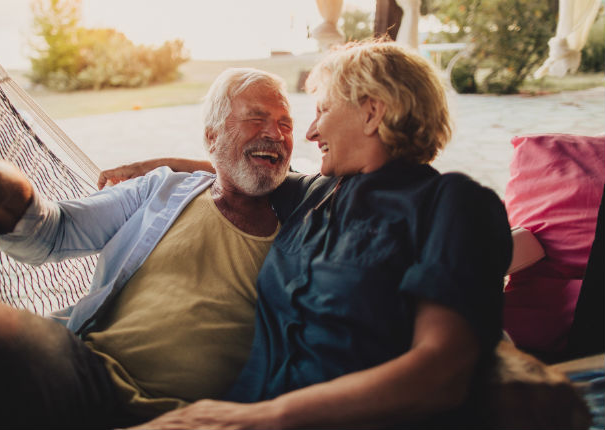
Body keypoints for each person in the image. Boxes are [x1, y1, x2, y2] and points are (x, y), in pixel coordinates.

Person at [107, 41, 513, 429]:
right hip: (228, 416)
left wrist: (261, 420)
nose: (310, 132)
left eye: (322, 110)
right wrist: (154, 165)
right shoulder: (311, 193)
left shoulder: (452, 204)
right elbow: (240, 166)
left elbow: (442, 372)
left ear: (372, 113)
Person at [0, 67, 294, 428]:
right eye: (256, 118)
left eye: (285, 124)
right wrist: (7, 182)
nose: (275, 134)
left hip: (196, 416)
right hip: (84, 372)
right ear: (211, 136)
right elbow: (53, 233)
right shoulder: (161, 189)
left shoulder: (312, 222)